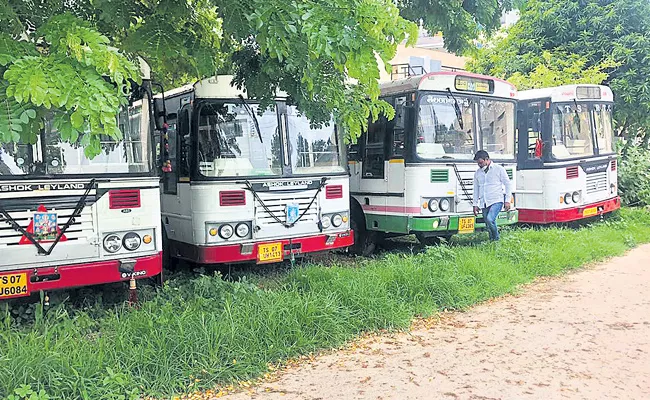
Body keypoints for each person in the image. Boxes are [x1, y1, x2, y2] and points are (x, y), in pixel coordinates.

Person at [472, 150, 512, 241]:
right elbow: (476, 190)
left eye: (481, 162)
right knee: (488, 224)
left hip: (496, 200)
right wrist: (475, 204)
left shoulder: (499, 169)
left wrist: (507, 200)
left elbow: (508, 184)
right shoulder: (478, 173)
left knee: (490, 219)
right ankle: (492, 242)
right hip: (484, 201)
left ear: (487, 159)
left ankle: (496, 239)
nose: (479, 165)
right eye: (478, 163)